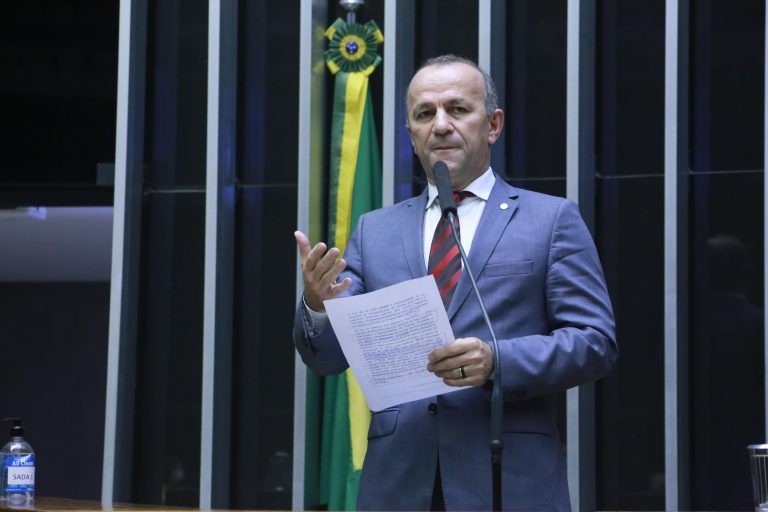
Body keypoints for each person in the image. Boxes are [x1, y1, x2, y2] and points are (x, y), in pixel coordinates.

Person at [294, 54, 617, 511]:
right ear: (411, 135)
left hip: (507, 478)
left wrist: (497, 359)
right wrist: (317, 306)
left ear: (493, 124)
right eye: (424, 114)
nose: (440, 125)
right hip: (398, 484)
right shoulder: (375, 230)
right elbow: (326, 361)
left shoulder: (550, 219)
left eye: (458, 109)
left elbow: (595, 343)